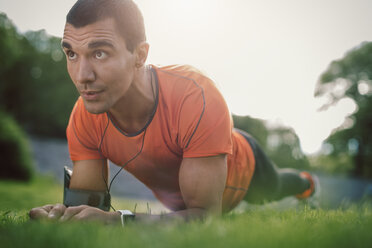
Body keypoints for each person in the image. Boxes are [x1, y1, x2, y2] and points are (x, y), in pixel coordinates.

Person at [29, 0, 319, 225]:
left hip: (245, 167)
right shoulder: (84, 116)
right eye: (71, 54)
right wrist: (63, 216)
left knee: (276, 187)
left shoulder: (196, 94)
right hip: (187, 192)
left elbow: (204, 218)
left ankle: (306, 184)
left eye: (100, 53)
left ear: (140, 55)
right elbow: (88, 208)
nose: (82, 76)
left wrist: (117, 223)